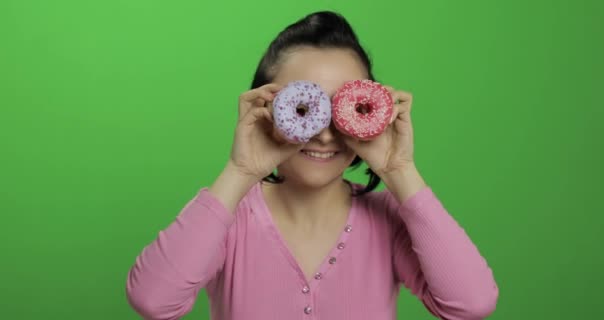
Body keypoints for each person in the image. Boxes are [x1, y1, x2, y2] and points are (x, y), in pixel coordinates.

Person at [125, 11, 499, 320]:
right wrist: (239, 172)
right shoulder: (230, 217)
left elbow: (471, 304)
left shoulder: (389, 220)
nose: (324, 135)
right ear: (264, 108)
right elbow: (154, 301)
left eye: (342, 109)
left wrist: (400, 170)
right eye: (305, 108)